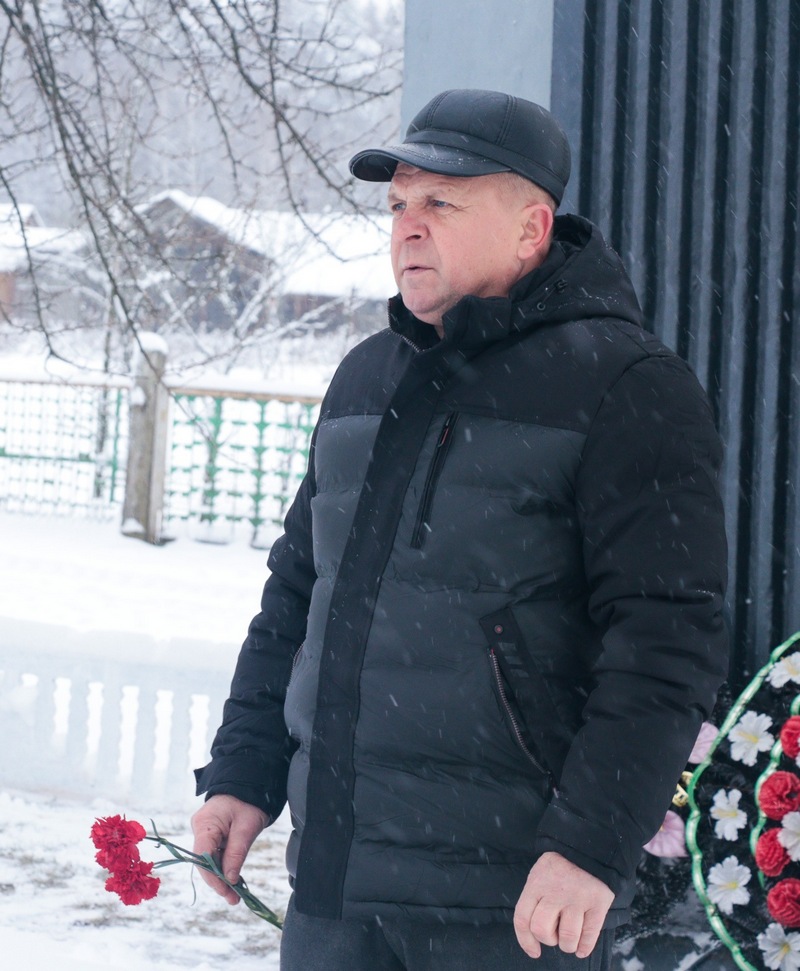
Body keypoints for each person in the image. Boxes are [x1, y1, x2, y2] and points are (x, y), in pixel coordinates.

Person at [191, 88, 729, 970]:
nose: (408, 226)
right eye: (398, 203)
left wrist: (590, 843)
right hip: (335, 890)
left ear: (531, 229)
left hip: (514, 901)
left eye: (441, 201)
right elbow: (297, 596)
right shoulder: (366, 377)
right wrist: (243, 770)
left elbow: (667, 640)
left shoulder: (628, 387)